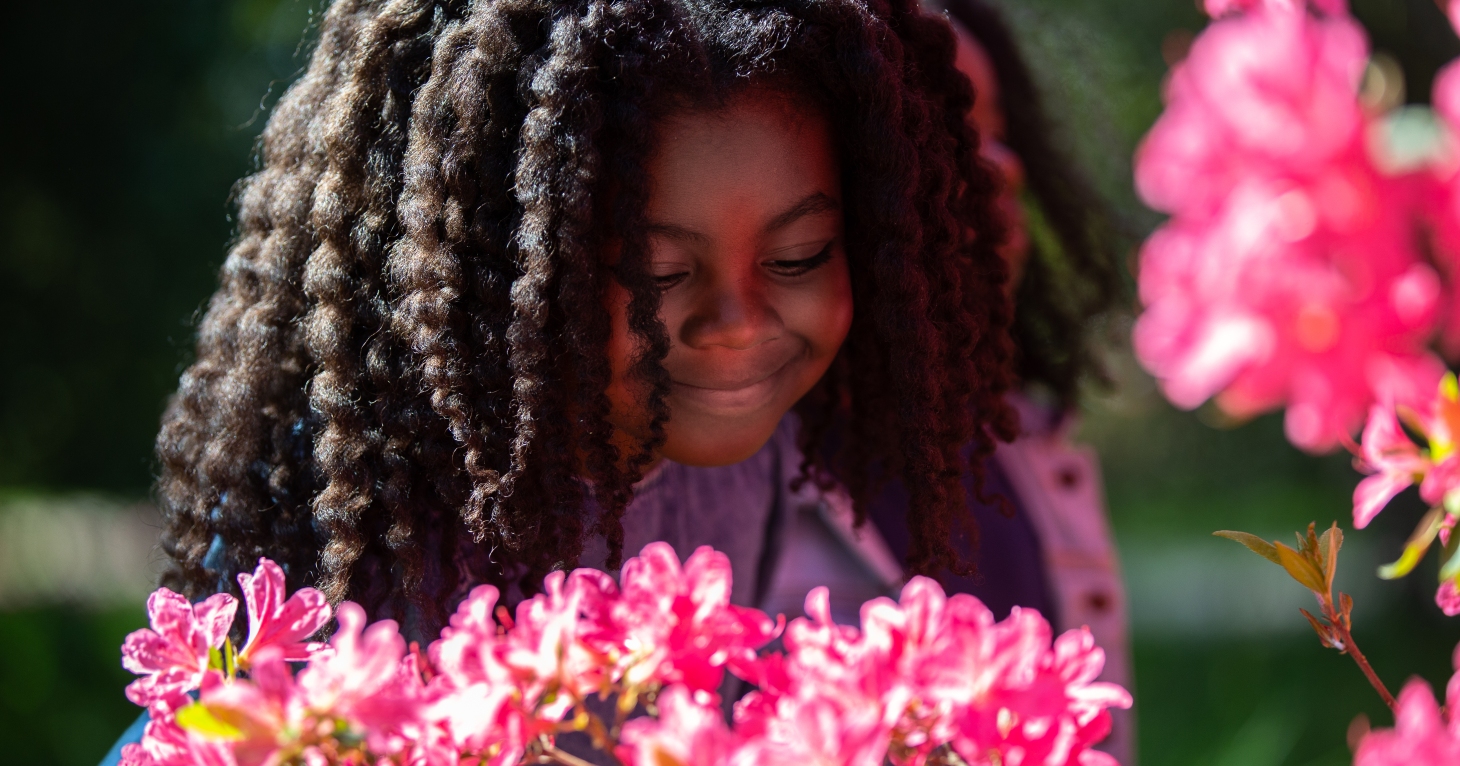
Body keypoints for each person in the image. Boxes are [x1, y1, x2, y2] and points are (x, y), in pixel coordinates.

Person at [101, 0, 1125, 762]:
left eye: (800, 255)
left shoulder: (763, 443)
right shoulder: (369, 486)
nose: (734, 326)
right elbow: (194, 730)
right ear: (498, 270)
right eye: (655, 277)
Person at [755, 0, 1135, 760]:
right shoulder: (736, 482)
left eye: (999, 130)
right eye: (945, 134)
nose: (1005, 165)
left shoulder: (1026, 449)